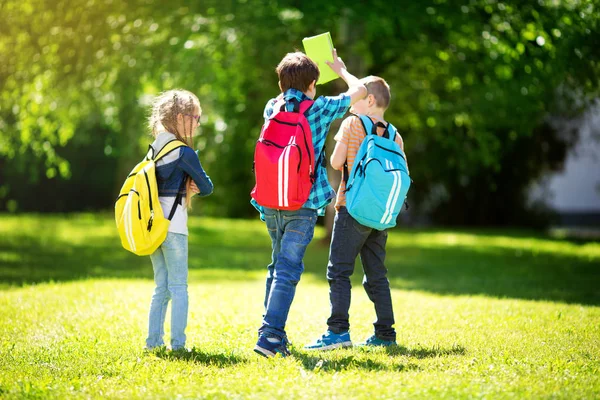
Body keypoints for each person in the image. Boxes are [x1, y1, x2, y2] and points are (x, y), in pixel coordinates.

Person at [252, 49, 367, 358]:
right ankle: (271, 337)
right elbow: (361, 92)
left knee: (277, 266)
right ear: (313, 83)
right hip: (302, 203)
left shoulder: (270, 107)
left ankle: (270, 330)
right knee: (288, 270)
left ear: (280, 83)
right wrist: (341, 70)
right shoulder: (319, 108)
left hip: (271, 200)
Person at [305, 76, 406, 350]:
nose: (351, 98)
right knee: (376, 274)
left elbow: (337, 162)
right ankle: (385, 334)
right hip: (379, 215)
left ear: (369, 100)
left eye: (357, 94)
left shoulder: (352, 124)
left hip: (352, 208)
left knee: (338, 270)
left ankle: (338, 332)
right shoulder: (395, 134)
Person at [144, 89, 214, 351]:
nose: (197, 123)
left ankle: (153, 343)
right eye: (196, 118)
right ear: (182, 118)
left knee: (161, 287)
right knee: (179, 287)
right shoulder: (184, 152)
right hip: (174, 227)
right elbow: (207, 187)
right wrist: (193, 183)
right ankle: (178, 345)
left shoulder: (153, 150)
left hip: (153, 227)